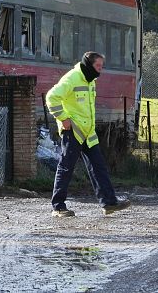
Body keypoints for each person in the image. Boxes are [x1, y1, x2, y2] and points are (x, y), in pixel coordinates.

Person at [46, 51, 131, 217]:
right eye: (98, 66)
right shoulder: (71, 78)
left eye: (101, 66)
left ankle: (109, 203)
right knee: (66, 168)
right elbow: (51, 97)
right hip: (74, 132)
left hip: (88, 133)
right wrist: (63, 118)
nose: (100, 70)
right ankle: (58, 207)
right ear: (88, 64)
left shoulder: (90, 80)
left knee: (99, 167)